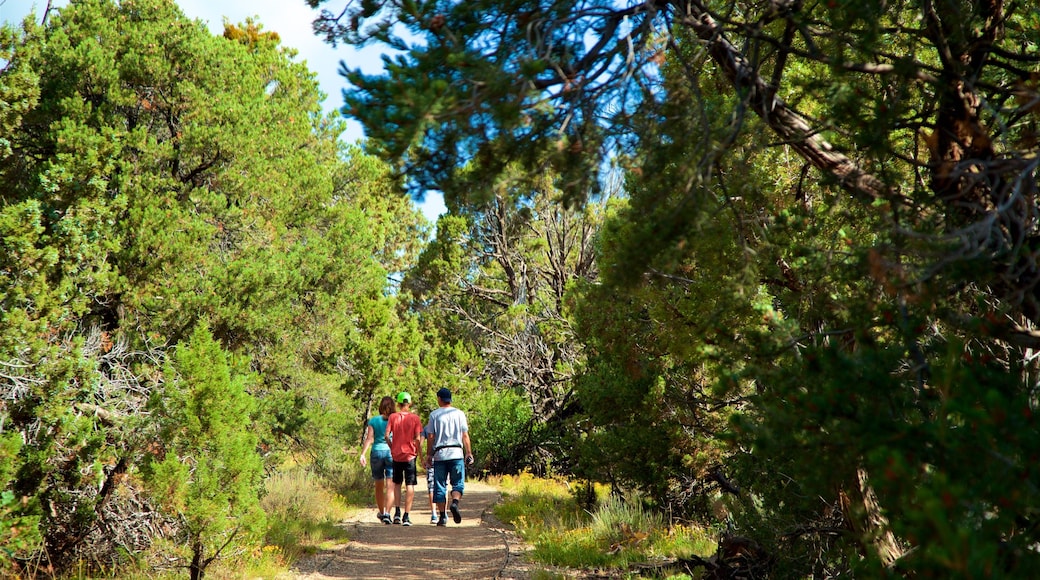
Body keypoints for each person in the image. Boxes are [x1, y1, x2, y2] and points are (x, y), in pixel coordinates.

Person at [423, 387, 473, 526]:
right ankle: (455, 503)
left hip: (440, 454)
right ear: (450, 399)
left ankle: (443, 516)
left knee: (440, 485)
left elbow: (431, 436)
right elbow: (465, 435)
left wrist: (429, 454)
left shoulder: (434, 415)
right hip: (456, 453)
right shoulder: (460, 414)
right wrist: (468, 452)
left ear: (439, 398)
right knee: (457, 483)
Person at [385, 391, 423, 526]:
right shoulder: (415, 418)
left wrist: (392, 447)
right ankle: (406, 516)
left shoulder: (393, 417)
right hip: (410, 456)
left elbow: (386, 435)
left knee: (397, 484)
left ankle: (396, 513)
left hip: (397, 455)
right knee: (410, 485)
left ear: (399, 403)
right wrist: (420, 455)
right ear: (410, 403)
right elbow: (418, 438)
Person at [359, 396, 395, 524]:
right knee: (390, 486)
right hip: (391, 452)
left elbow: (369, 438)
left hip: (377, 452)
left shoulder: (374, 420)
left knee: (379, 485)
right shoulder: (395, 420)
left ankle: (381, 511)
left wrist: (362, 454)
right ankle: (388, 513)